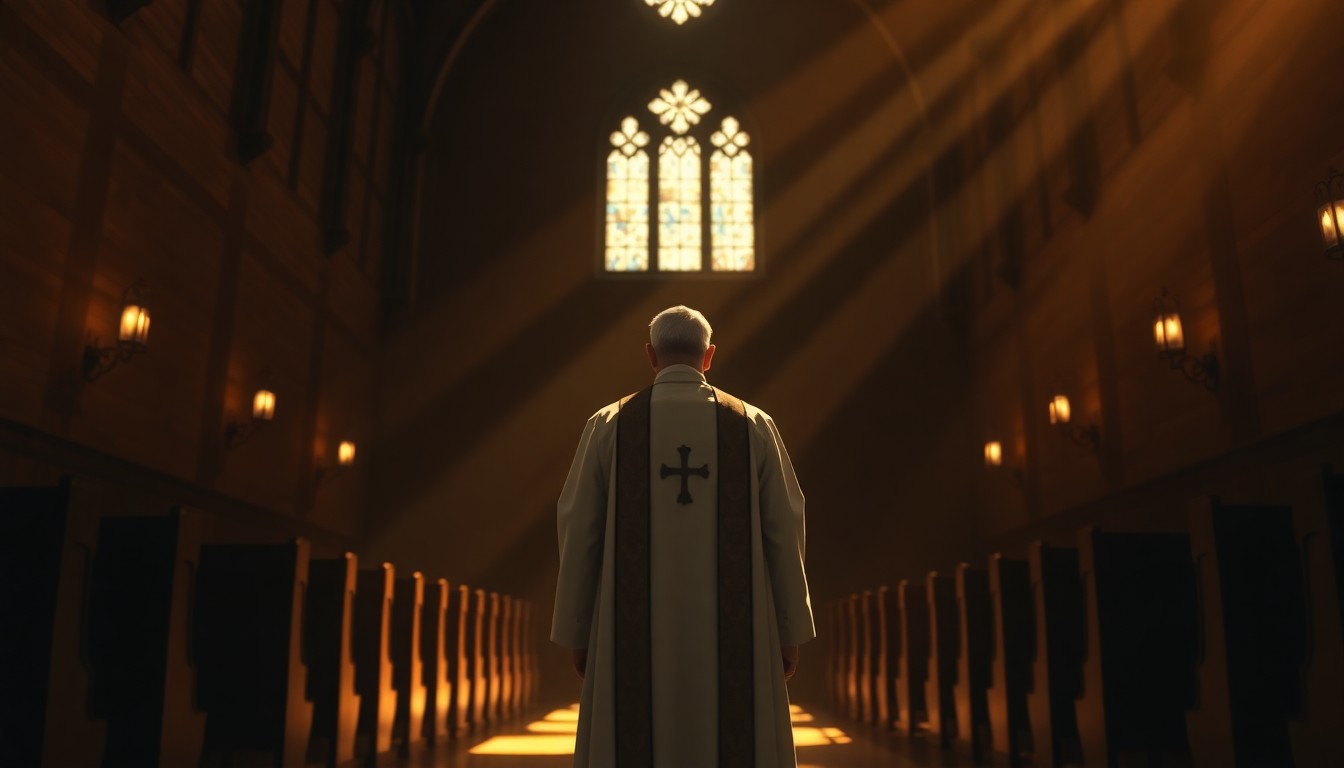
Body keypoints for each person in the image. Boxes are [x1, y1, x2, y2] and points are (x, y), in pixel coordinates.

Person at [551, 305, 814, 768]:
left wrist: (579, 629)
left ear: (651, 355)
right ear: (709, 356)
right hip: (742, 631)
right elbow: (785, 526)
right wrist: (787, 629)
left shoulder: (607, 425)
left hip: (623, 629)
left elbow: (578, 526)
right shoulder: (753, 424)